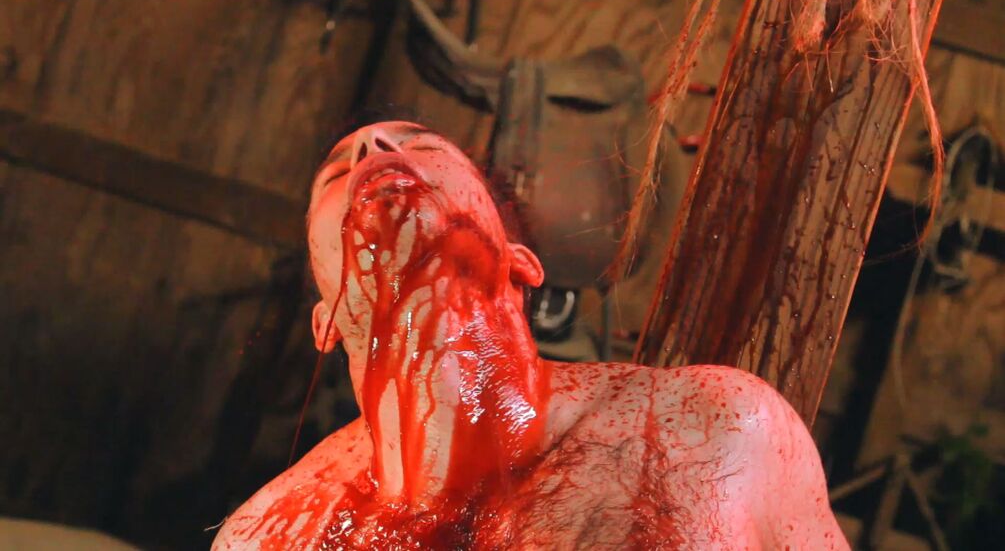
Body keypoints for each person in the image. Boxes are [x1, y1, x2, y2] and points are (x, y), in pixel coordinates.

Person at [213, 121, 848, 550]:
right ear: (325, 322)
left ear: (521, 263)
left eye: (423, 145)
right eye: (334, 175)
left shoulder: (718, 425)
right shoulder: (265, 536)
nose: (372, 147)